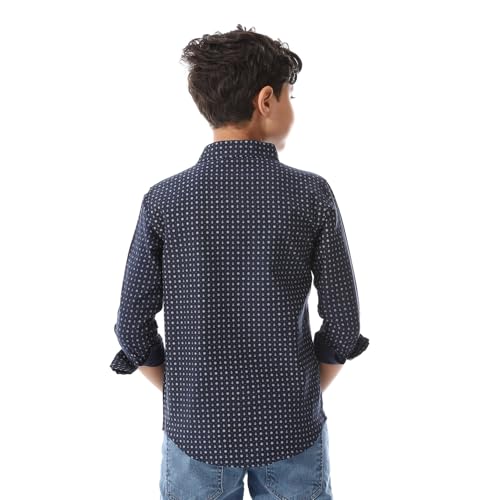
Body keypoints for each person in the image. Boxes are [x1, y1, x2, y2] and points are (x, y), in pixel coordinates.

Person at [110, 24, 370, 500]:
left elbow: (131, 326)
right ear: (266, 100)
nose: (292, 108)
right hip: (292, 427)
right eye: (290, 96)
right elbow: (345, 325)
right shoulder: (310, 195)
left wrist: (185, 397)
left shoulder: (164, 201)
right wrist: (303, 392)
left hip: (196, 432)